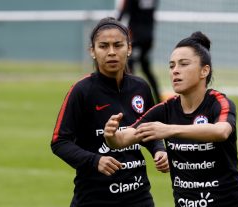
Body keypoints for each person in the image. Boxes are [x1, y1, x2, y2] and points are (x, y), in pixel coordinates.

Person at [104, 31, 238, 206]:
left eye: (183, 64)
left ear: (205, 70)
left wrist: (169, 129)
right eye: (172, 66)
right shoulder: (165, 109)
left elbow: (221, 131)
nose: (175, 71)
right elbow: (122, 139)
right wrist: (111, 136)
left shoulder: (218, 103)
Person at [51, 17, 169, 207]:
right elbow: (59, 142)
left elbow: (149, 131)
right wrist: (95, 160)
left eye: (118, 45)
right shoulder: (82, 91)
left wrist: (159, 150)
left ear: (129, 49)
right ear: (93, 51)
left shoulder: (141, 87)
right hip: (94, 198)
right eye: (104, 46)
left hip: (138, 197)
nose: (112, 52)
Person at [117, 0, 162, 102]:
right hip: (148, 37)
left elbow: (124, 12)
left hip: (136, 37)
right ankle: (158, 98)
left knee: (129, 67)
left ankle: (129, 98)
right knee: (145, 67)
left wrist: (112, 24)